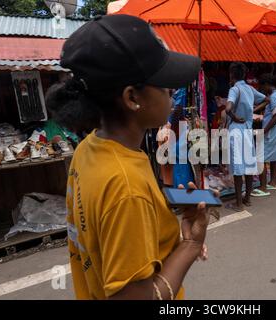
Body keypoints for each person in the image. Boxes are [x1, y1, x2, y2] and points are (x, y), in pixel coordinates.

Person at [46, 15, 212, 300]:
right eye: (163, 84)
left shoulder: (89, 149)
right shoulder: (126, 184)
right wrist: (191, 245)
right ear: (132, 97)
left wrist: (162, 217)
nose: (172, 92)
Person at [225, 62, 268, 212]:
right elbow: (266, 100)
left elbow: (228, 108)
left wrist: (235, 117)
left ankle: (238, 204)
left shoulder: (234, 89)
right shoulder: (250, 89)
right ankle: (247, 199)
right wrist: (252, 111)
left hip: (236, 131)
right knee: (249, 166)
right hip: (248, 130)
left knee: (237, 168)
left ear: (231, 75)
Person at [252, 74, 276, 197]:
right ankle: (273, 181)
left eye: (263, 86)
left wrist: (264, 130)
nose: (262, 90)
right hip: (275, 131)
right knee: (274, 156)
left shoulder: (275, 96)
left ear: (267, 85)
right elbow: (268, 105)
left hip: (271, 131)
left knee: (261, 158)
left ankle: (263, 187)